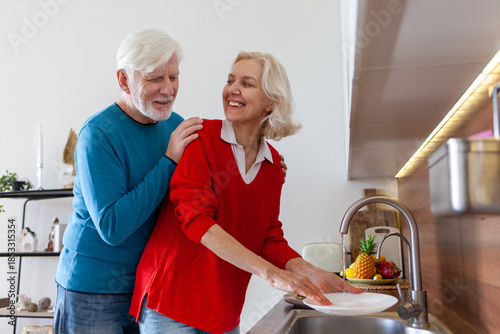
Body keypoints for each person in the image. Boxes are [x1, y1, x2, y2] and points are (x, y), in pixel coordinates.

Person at [130, 51, 362, 334]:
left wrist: (307, 269)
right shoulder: (200, 139)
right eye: (230, 80)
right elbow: (197, 222)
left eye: (247, 83)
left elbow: (268, 237)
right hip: (172, 300)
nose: (233, 90)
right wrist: (271, 274)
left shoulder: (273, 165)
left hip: (223, 308)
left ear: (271, 103)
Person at [53, 29, 204, 334]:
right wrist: (168, 161)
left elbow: (202, 189)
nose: (168, 89)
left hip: (148, 288)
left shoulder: (174, 126)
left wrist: (262, 164)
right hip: (91, 290)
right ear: (124, 80)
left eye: (173, 77)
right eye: (155, 78)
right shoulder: (98, 134)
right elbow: (113, 227)